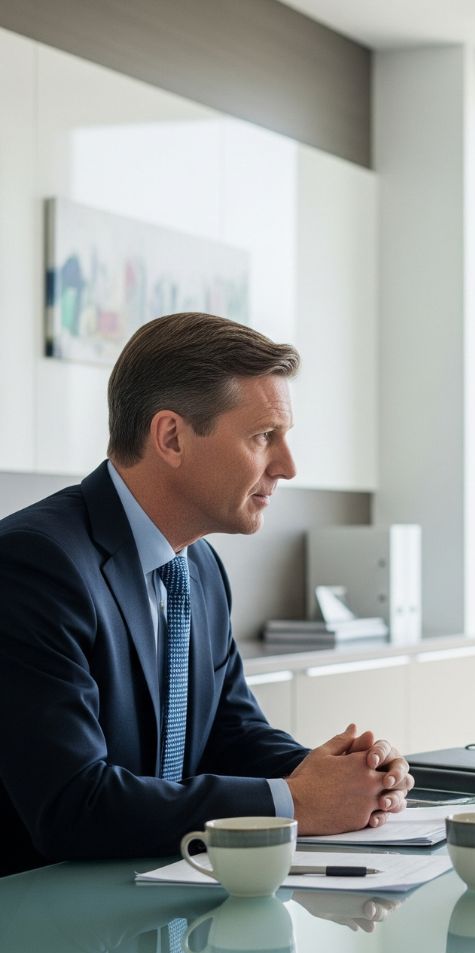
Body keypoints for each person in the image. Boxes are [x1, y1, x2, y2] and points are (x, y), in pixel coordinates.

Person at [0, 312, 413, 878]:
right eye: (264, 436)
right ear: (171, 437)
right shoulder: (34, 564)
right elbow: (74, 804)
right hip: (50, 925)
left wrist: (345, 778)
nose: (288, 467)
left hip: (164, 906)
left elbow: (230, 733)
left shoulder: (198, 565)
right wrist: (296, 804)